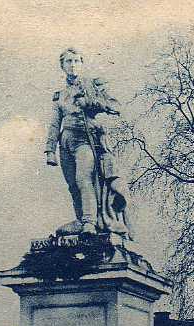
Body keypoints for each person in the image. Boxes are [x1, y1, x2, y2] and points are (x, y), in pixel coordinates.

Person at [44, 48, 133, 238]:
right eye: (68, 62)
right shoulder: (59, 95)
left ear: (82, 64)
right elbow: (54, 123)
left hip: (86, 139)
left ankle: (89, 222)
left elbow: (115, 106)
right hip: (66, 142)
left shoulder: (92, 85)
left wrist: (90, 102)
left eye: (76, 61)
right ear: (62, 66)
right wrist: (49, 150)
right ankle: (80, 218)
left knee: (83, 178)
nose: (72, 65)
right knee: (72, 185)